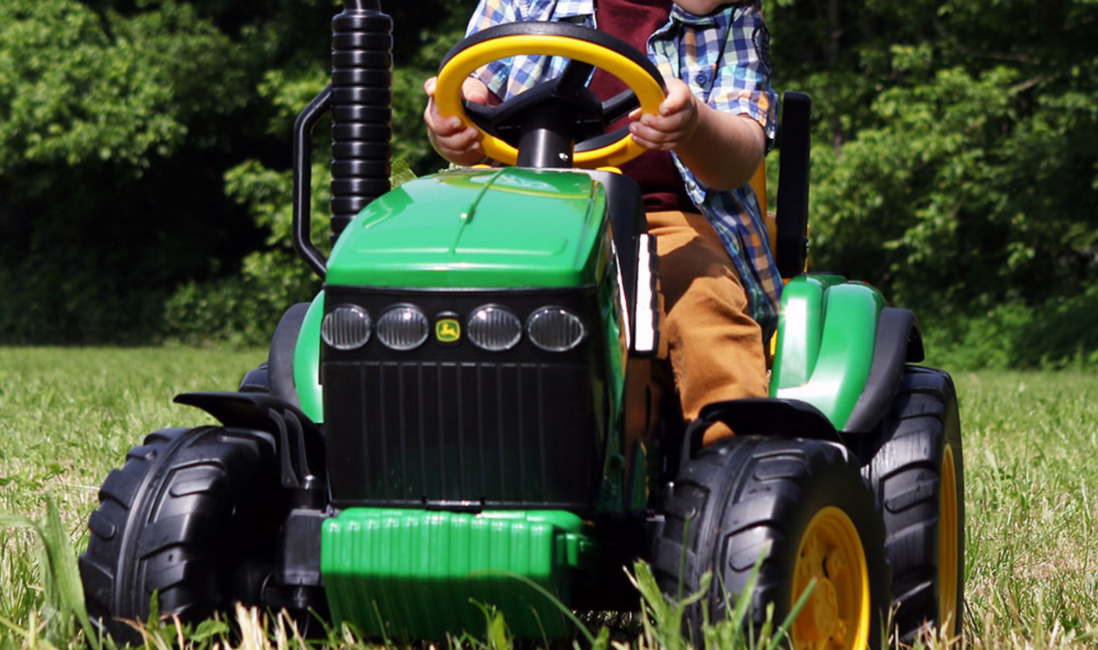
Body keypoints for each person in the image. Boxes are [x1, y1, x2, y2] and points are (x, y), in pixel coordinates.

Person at [423, 0, 781, 444]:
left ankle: (733, 455)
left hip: (664, 221)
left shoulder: (727, 17)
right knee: (441, 301)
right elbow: (470, 90)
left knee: (706, 305)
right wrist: (451, 125)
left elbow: (739, 158)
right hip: (525, 207)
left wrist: (695, 127)